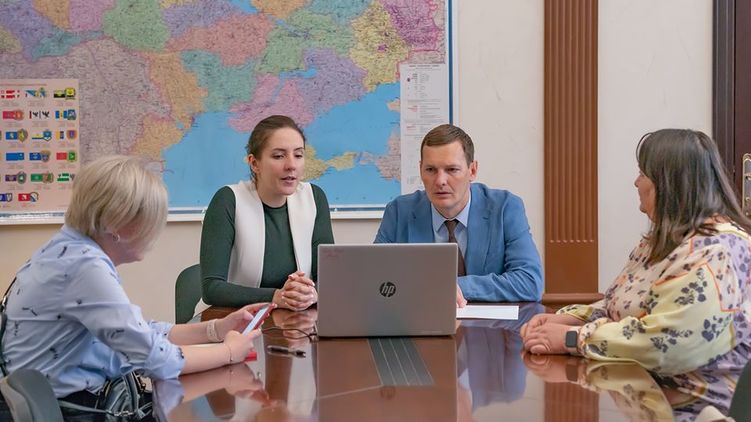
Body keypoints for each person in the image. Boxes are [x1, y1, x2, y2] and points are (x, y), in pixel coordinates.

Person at [0, 156, 270, 407]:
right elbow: (155, 359)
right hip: (73, 408)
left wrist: (215, 329)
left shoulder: (67, 248)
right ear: (116, 223)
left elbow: (137, 331)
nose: (154, 231)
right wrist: (229, 352)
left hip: (58, 400)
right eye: (149, 219)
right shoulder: (85, 267)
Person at [521, 129, 751, 379]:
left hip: (696, 397)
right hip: (640, 386)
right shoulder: (661, 241)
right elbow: (617, 304)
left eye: (642, 174)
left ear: (668, 184)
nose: (635, 183)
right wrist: (571, 319)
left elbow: (669, 344)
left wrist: (573, 338)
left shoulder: (716, 250)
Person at [374, 123, 543, 305]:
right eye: (431, 170)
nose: (440, 181)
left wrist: (452, 286)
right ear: (420, 169)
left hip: (490, 322)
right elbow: (373, 279)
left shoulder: (505, 208)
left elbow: (530, 282)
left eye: (452, 170)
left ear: (472, 170)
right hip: (419, 320)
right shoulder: (399, 212)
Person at [200, 115, 334, 311]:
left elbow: (329, 278)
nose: (291, 165)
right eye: (279, 156)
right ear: (254, 163)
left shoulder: (314, 198)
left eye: (298, 155)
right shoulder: (228, 200)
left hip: (298, 321)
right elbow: (211, 288)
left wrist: (313, 294)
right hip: (239, 320)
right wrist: (276, 296)